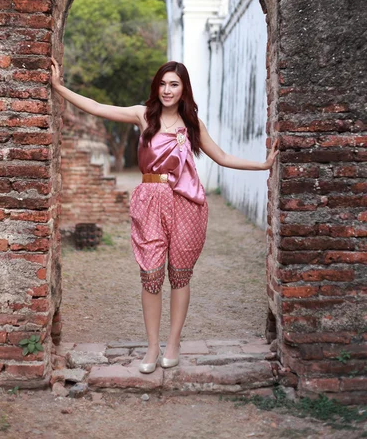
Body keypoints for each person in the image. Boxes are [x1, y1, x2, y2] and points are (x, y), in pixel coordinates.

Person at [51, 58, 279, 374]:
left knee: (180, 275)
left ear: (183, 88)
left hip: (187, 203)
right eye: (162, 83)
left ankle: (173, 343)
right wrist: (59, 87)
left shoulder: (192, 125)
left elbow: (222, 156)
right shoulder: (142, 116)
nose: (167, 90)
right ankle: (151, 347)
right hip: (150, 200)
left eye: (174, 84)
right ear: (156, 86)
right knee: (150, 276)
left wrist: (262, 165)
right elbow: (96, 106)